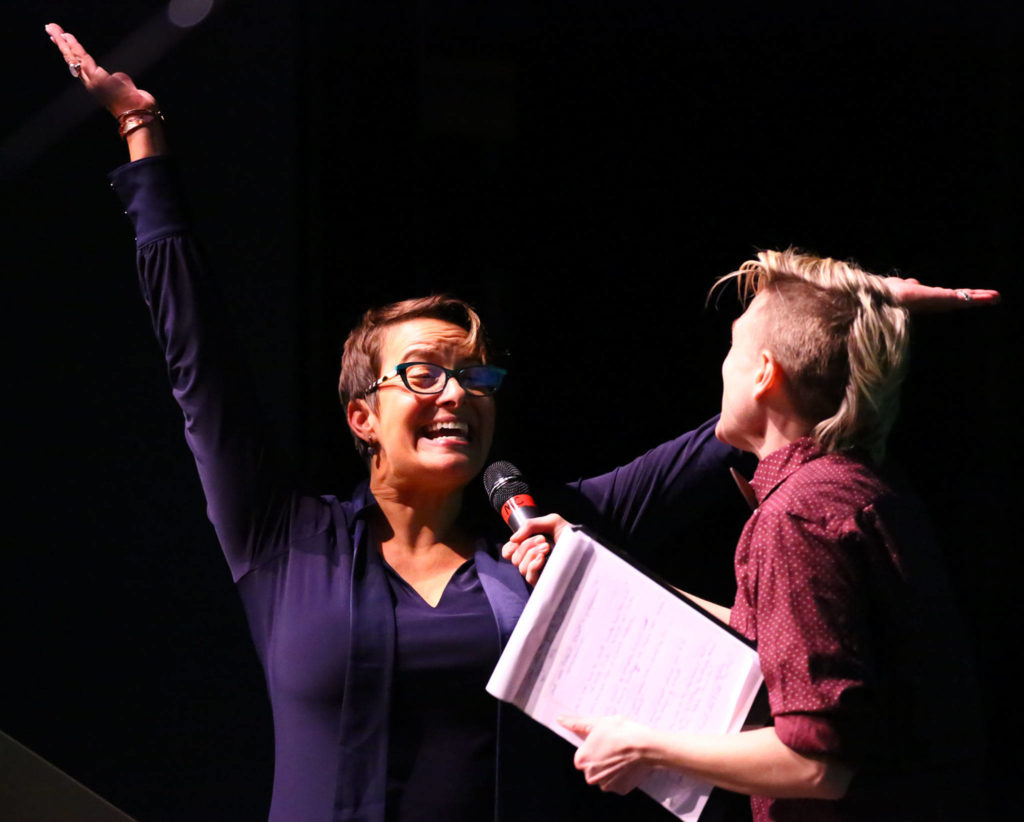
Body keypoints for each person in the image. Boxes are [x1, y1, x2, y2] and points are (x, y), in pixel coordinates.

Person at [45, 22, 999, 822]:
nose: (459, 394)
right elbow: (200, 370)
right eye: (424, 373)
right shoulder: (282, 542)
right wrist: (143, 138)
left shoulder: (548, 531)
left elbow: (757, 410)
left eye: (477, 377)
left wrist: (858, 310)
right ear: (361, 415)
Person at [509, 250, 988, 820]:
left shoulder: (798, 516)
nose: (721, 369)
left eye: (732, 350)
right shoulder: (858, 485)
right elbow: (768, 634)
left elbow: (817, 762)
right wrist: (589, 566)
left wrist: (644, 747)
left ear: (763, 372)